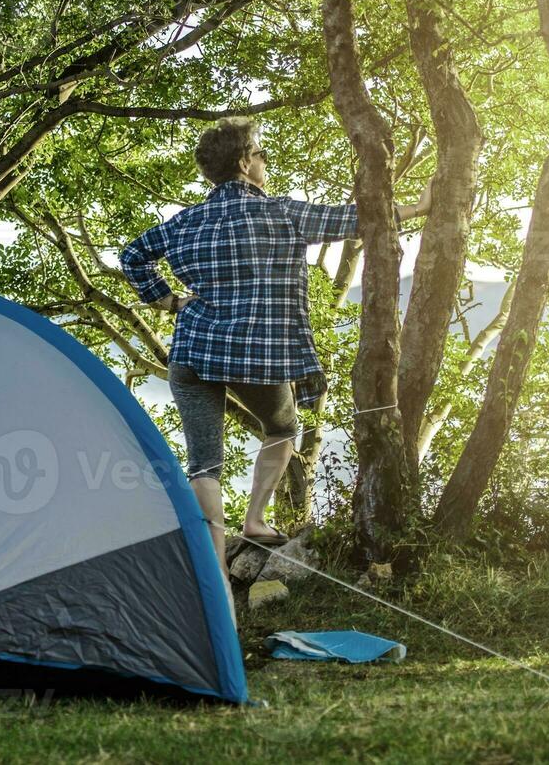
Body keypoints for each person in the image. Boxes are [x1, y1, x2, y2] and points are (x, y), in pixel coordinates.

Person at [120, 117, 430, 580]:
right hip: (254, 357)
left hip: (193, 350)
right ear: (245, 163)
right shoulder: (282, 212)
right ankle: (255, 520)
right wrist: (420, 206)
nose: (265, 161)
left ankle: (213, 571)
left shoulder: (185, 221)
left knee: (204, 463)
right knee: (283, 427)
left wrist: (168, 300)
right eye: (261, 154)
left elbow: (132, 256)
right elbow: (353, 218)